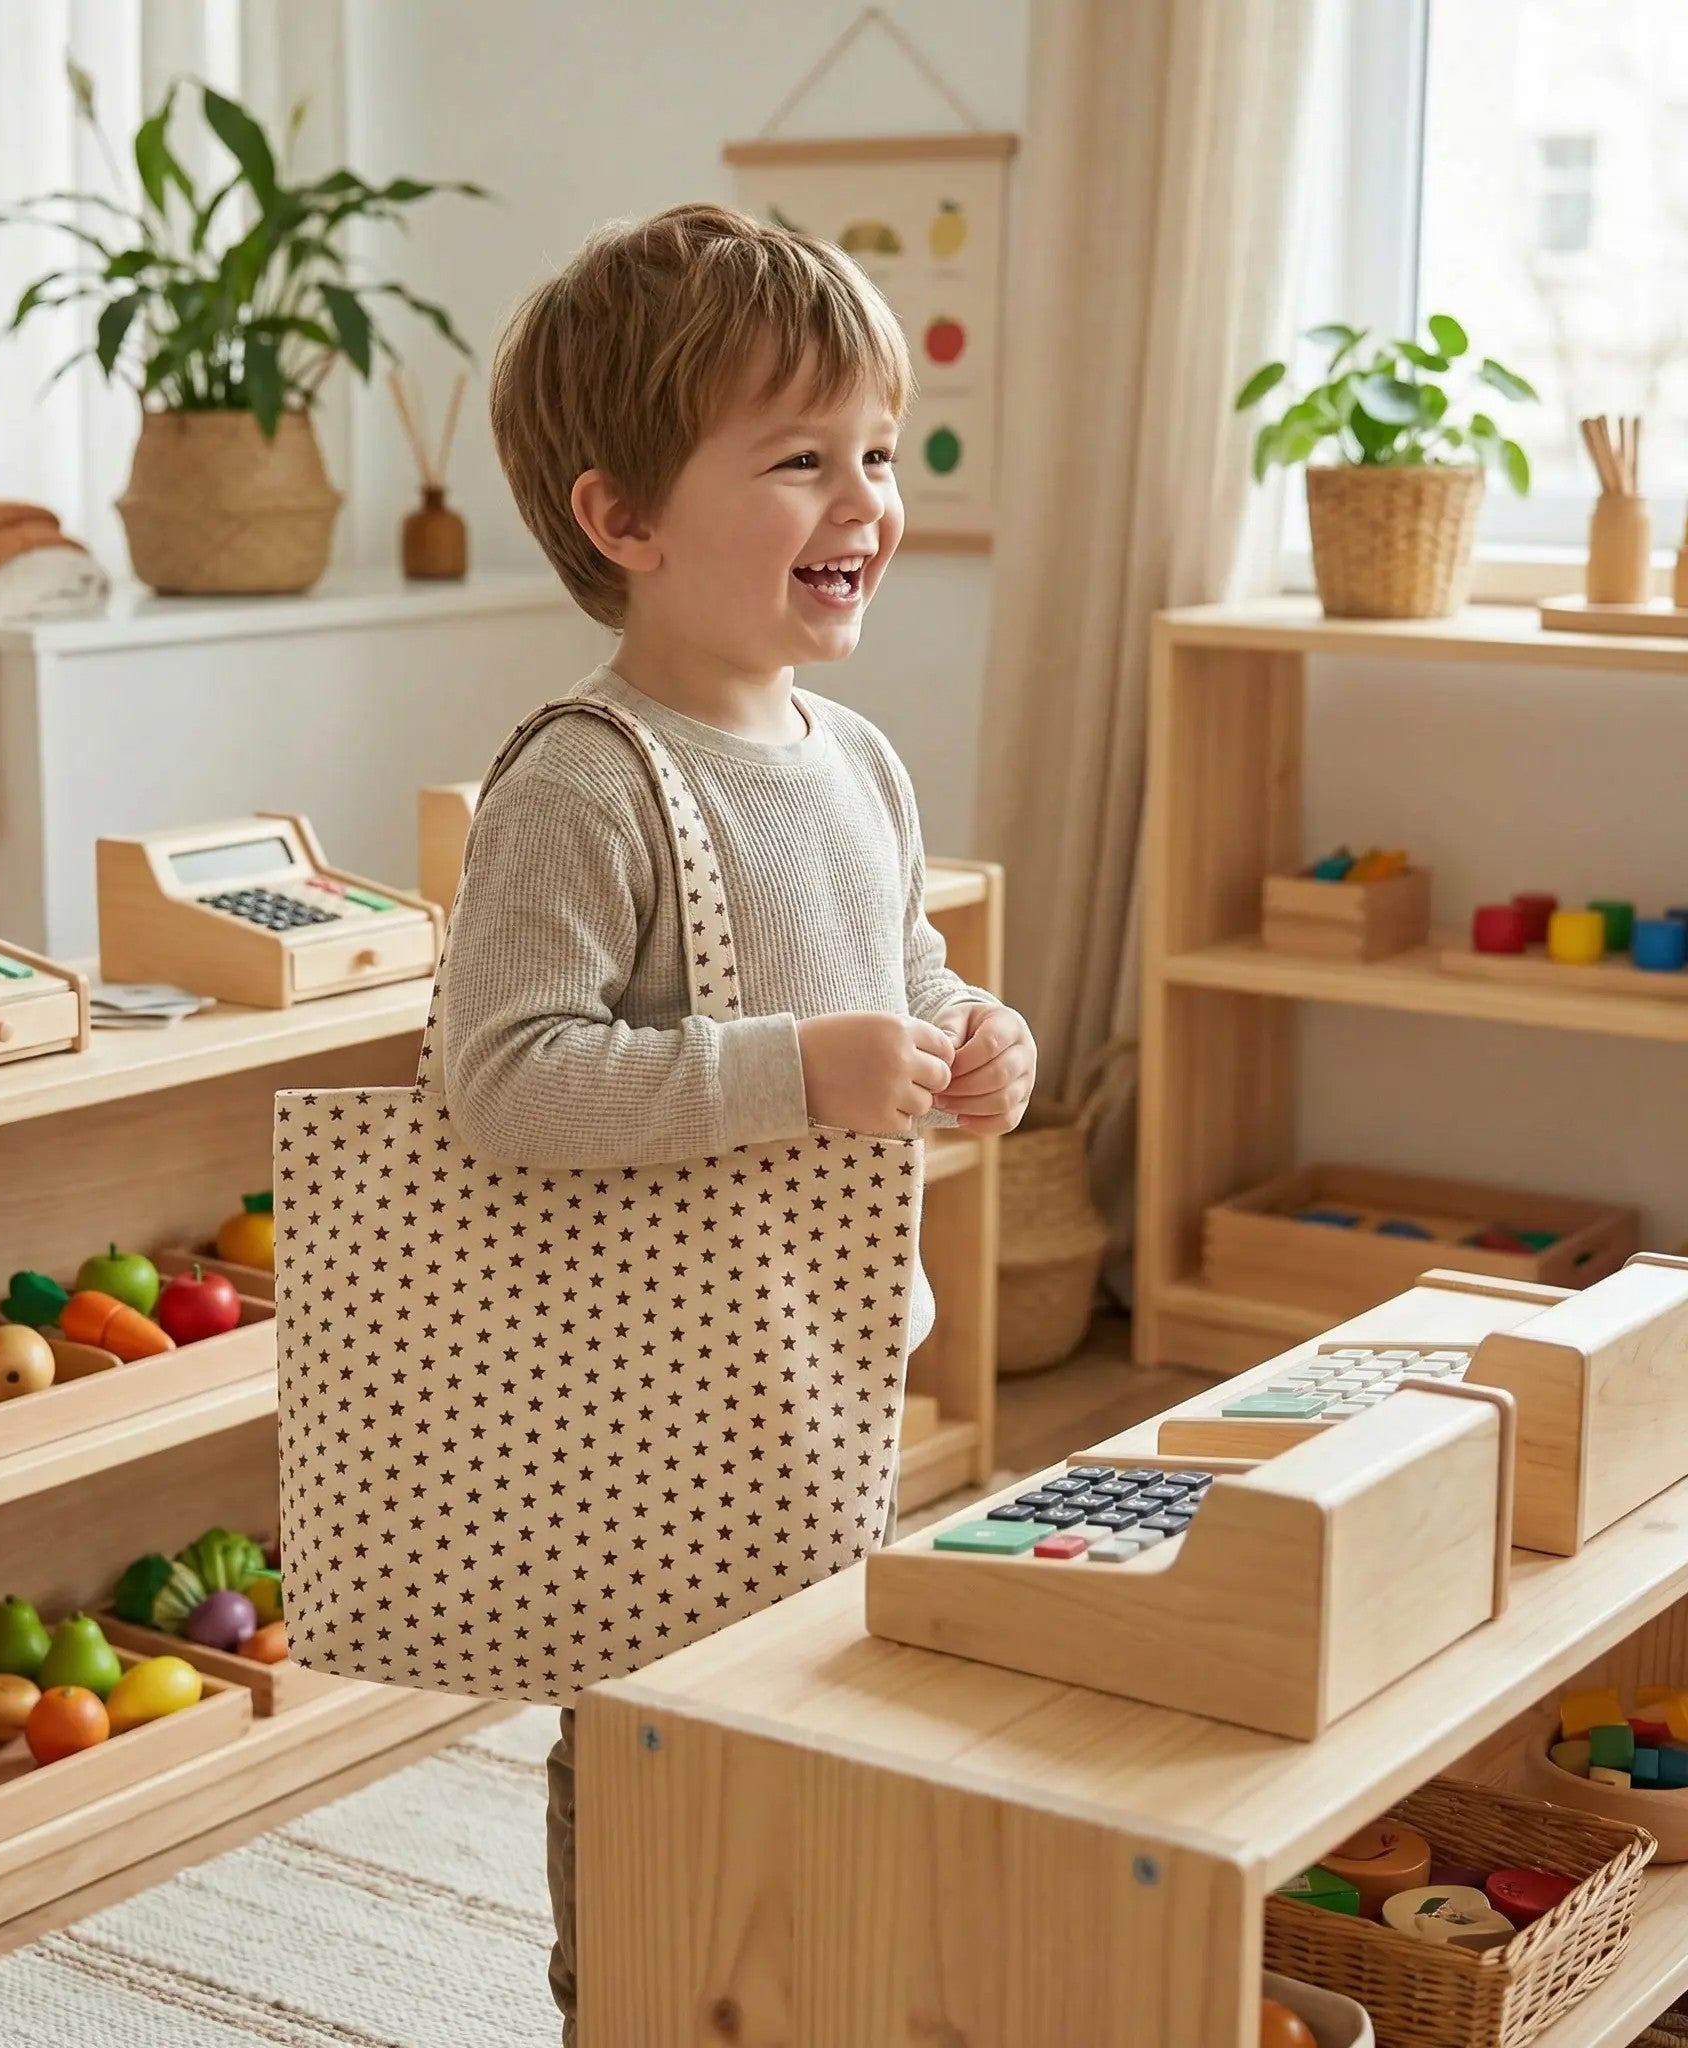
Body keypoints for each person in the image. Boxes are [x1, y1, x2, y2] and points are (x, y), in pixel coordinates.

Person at [448, 200, 1037, 2046]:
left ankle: (776, 1999)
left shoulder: (854, 759)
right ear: (623, 521)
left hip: (825, 1369)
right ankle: (624, 2000)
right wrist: (798, 1067)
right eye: (799, 460)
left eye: (877, 451)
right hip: (638, 1402)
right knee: (647, 1748)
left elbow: (892, 975)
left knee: (805, 1730)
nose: (865, 498)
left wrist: (968, 1030)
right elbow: (506, 1079)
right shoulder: (580, 781)